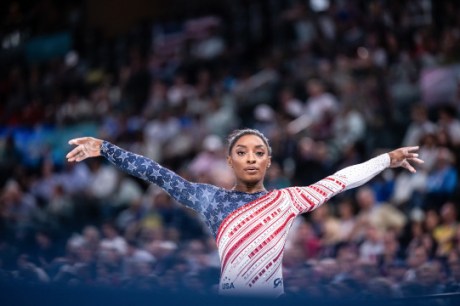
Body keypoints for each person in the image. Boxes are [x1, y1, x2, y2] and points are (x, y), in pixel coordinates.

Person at [66, 128, 423, 297]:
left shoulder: (288, 200)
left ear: (268, 161)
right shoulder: (210, 199)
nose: (250, 158)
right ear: (229, 161)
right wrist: (106, 149)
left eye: (258, 152)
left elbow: (340, 180)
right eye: (241, 152)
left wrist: (386, 159)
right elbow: (158, 174)